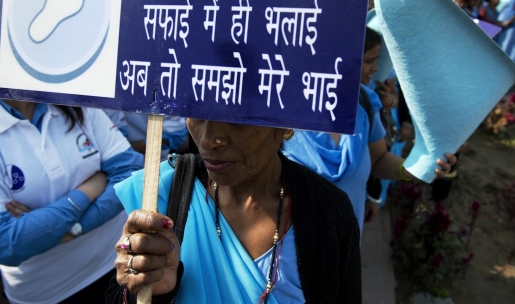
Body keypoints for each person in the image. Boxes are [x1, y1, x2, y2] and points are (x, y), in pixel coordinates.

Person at [106, 120, 362, 303]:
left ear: (286, 123)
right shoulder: (161, 195)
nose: (207, 139)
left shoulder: (327, 212)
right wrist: (147, 287)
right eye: (196, 111)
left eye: (237, 118)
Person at [281, 28, 458, 233]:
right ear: (341, 60)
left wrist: (419, 168)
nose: (375, 68)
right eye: (368, 61)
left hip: (346, 244)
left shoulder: (364, 102)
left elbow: (379, 160)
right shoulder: (281, 107)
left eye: (377, 60)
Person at [0, 100, 144, 304]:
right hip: (46, 293)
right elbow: (6, 244)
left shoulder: (77, 102)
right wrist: (92, 186)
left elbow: (129, 175)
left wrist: (66, 229)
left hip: (117, 264)